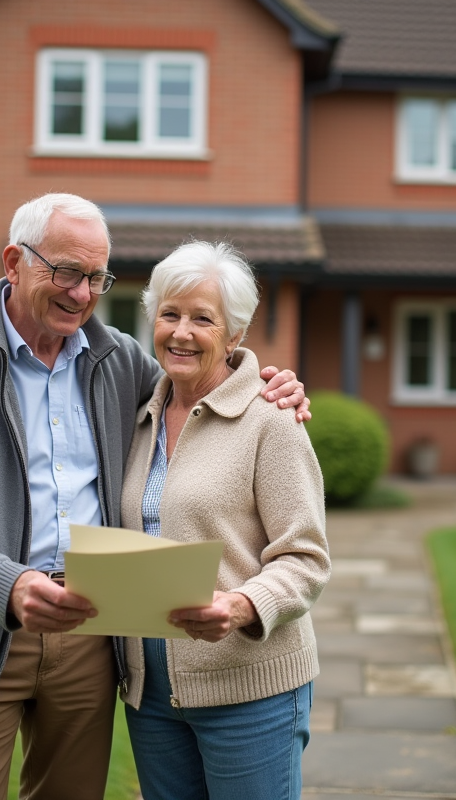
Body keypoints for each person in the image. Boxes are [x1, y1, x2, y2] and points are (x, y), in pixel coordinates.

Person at [0, 193, 310, 800]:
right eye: (64, 272)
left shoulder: (118, 362)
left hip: (89, 634)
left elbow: (204, 378)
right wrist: (10, 586)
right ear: (13, 262)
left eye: (96, 278)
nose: (81, 293)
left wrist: (269, 382)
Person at [120, 241, 330, 800]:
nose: (181, 331)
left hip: (250, 689)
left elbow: (306, 559)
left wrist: (239, 606)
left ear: (234, 335)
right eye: (170, 314)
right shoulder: (137, 417)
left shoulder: (272, 419)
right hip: (151, 693)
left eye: (202, 319)